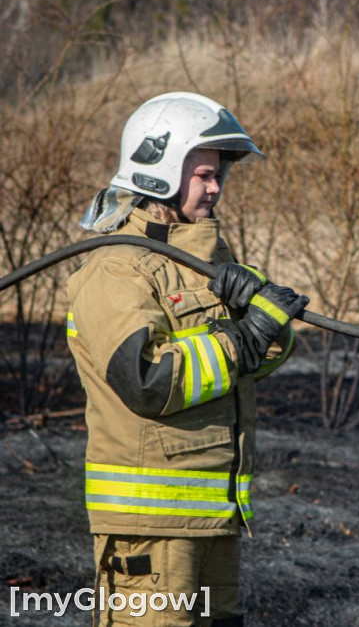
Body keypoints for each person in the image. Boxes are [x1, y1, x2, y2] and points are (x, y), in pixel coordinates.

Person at [66, 92, 308, 626]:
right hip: (149, 526)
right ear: (158, 172)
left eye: (218, 174)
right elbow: (148, 379)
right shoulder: (117, 269)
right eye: (203, 175)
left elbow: (256, 360)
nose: (216, 187)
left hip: (212, 518)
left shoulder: (202, 262)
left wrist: (266, 318)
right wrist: (242, 337)